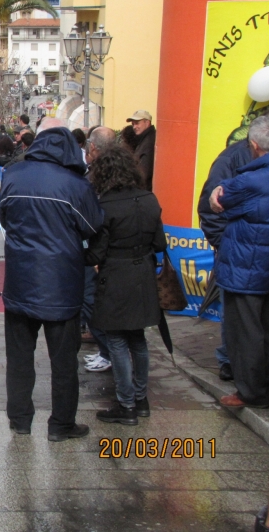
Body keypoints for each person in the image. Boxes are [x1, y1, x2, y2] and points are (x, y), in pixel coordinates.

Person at [0, 118, 104, 441]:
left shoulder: (13, 176)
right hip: (62, 285)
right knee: (63, 362)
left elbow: (4, 216)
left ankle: (20, 419)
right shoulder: (76, 186)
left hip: (19, 282)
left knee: (18, 358)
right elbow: (93, 226)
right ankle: (61, 424)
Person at [86, 146, 166, 425]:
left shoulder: (106, 205)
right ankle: (141, 399)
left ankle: (126, 403)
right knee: (138, 339)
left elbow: (96, 252)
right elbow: (160, 243)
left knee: (117, 340)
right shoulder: (150, 199)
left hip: (116, 275)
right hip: (143, 273)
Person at [209, 114, 269, 409]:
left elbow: (217, 201)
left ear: (254, 144)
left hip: (247, 268)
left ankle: (251, 392)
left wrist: (217, 194)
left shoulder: (247, 181)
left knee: (246, 333)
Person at [196, 135, 253, 382]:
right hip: (235, 250)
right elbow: (210, 208)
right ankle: (229, 360)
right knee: (232, 308)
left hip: (257, 251)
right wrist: (224, 243)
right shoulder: (231, 158)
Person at [80, 126, 117, 373]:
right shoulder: (116, 171)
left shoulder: (101, 176)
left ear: (93, 147)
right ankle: (106, 351)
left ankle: (109, 352)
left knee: (90, 300)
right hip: (102, 248)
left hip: (99, 249)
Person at [126, 110, 156, 190]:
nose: (134, 127)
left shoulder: (149, 142)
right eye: (133, 124)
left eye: (137, 123)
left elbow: (144, 174)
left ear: (147, 122)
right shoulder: (145, 139)